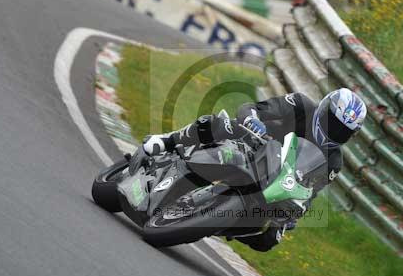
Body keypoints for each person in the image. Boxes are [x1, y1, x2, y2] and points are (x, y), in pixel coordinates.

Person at [142, 89, 367, 251]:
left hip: (275, 182)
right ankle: (168, 141)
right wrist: (252, 120)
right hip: (253, 144)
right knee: (224, 125)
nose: (334, 131)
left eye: (342, 131)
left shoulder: (334, 162)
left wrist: (293, 217)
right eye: (332, 122)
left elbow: (311, 191)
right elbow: (251, 108)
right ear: (324, 107)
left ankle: (217, 224)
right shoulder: (300, 104)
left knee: (270, 239)